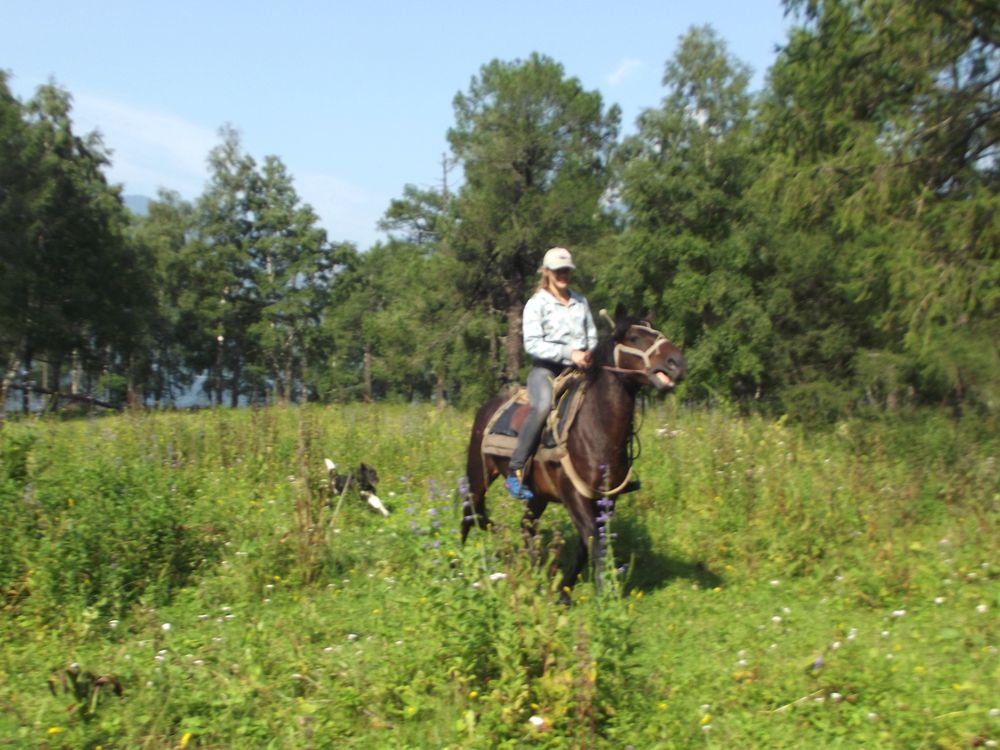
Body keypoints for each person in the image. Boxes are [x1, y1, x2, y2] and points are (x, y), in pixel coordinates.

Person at [506, 246, 598, 500]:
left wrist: (589, 353)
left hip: (580, 370)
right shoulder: (536, 304)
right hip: (546, 370)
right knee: (543, 406)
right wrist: (570, 353)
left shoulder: (581, 302)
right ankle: (515, 470)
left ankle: (611, 472)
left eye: (566, 270)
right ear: (546, 272)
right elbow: (532, 344)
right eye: (558, 271)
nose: (563, 275)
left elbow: (591, 335)